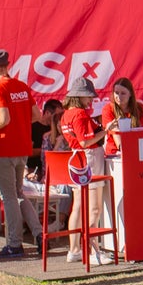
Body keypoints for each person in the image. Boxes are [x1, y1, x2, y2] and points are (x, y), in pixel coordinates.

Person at [0, 49, 42, 258]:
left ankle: (14, 244)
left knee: (9, 197)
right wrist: (19, 125)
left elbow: (3, 119)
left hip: (6, 148)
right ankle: (39, 235)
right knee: (18, 194)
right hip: (22, 147)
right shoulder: (21, 86)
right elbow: (36, 115)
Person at [58, 77, 113, 264]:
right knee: (94, 208)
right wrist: (106, 130)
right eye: (88, 97)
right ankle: (92, 252)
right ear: (79, 96)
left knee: (78, 207)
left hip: (77, 159)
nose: (91, 100)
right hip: (89, 157)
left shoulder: (66, 115)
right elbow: (85, 141)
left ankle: (74, 250)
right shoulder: (80, 114)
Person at [100, 76, 143, 248]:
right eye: (116, 93)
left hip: (138, 155)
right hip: (115, 157)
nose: (119, 96)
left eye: (123, 93)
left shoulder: (140, 109)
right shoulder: (108, 110)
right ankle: (121, 241)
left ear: (131, 94)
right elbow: (116, 138)